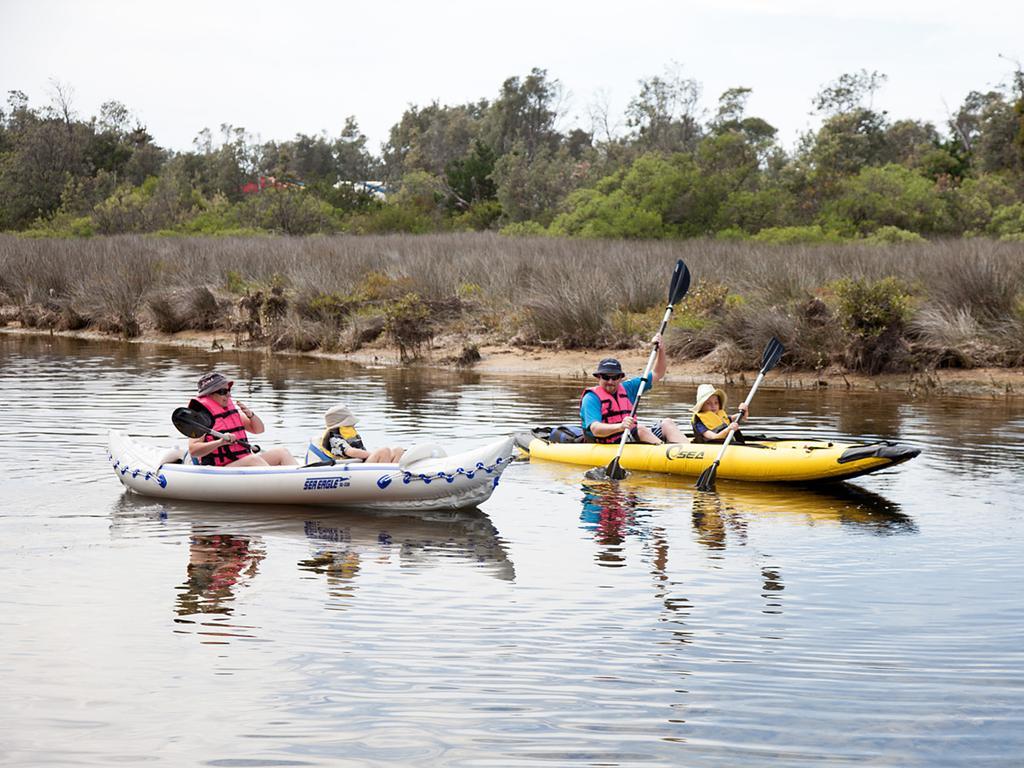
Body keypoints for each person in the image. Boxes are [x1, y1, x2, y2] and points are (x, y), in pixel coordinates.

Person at [579, 333, 686, 445]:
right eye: (606, 377)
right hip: (608, 442)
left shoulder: (628, 388)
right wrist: (620, 427)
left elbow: (658, 373)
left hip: (630, 436)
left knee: (667, 423)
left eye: (615, 377)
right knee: (640, 429)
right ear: (599, 377)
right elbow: (596, 429)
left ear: (620, 378)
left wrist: (661, 350)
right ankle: (666, 452)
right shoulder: (591, 398)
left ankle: (690, 452)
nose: (610, 382)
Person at [186, 372, 297, 466]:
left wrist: (251, 415)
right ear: (209, 395)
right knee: (253, 459)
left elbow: (259, 430)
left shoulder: (230, 413)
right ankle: (281, 485)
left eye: (228, 390)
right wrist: (220, 442)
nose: (228, 395)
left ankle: (300, 481)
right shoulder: (201, 418)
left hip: (241, 462)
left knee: (282, 452)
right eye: (223, 392)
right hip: (219, 469)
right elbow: (194, 450)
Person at [313, 404, 406, 464]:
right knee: (384, 451)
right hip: (353, 470)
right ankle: (386, 479)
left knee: (398, 450)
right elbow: (351, 452)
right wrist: (371, 454)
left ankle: (396, 476)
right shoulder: (333, 438)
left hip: (361, 464)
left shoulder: (347, 432)